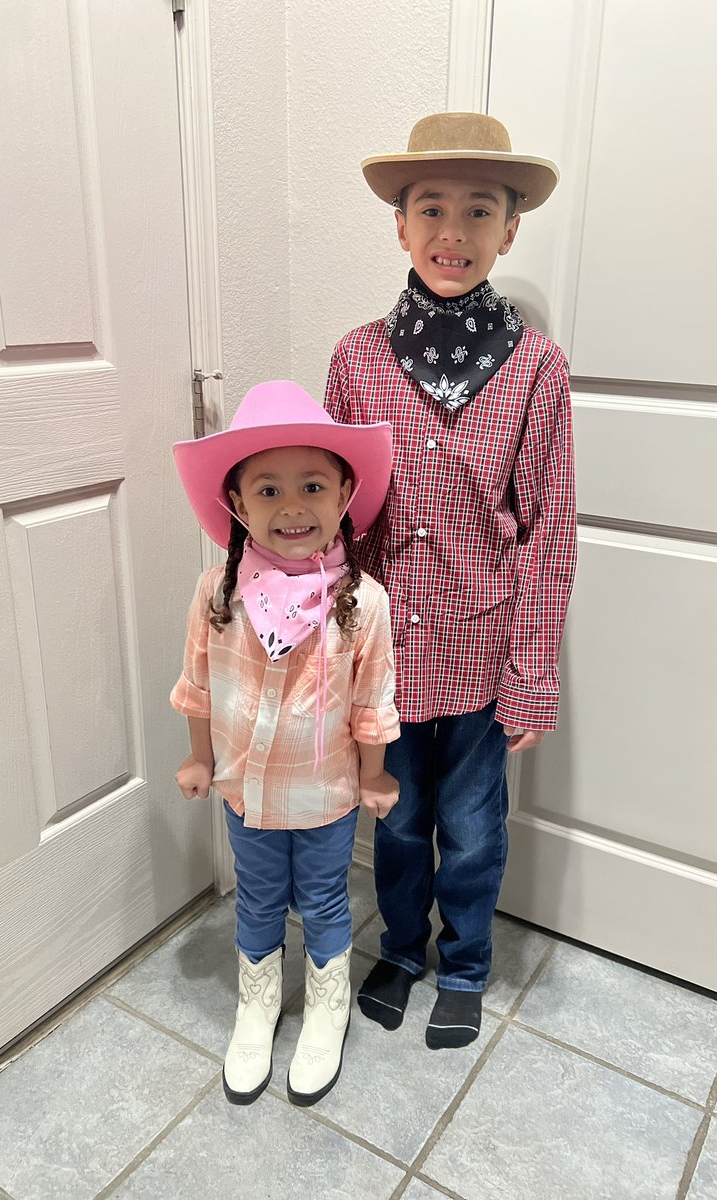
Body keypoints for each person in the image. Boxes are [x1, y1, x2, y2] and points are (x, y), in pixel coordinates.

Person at [325, 112, 577, 1049]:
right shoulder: (357, 359)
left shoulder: (537, 370)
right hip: (387, 660)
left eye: (480, 211)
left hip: (481, 655)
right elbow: (332, 519)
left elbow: (550, 532)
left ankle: (465, 962)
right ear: (399, 224)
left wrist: (533, 672)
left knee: (472, 829)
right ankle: (401, 949)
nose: (452, 232)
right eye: (431, 208)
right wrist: (325, 644)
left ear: (509, 230)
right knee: (394, 824)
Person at [170, 380, 400, 1106]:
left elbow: (371, 701)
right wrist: (199, 756)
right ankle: (259, 1000)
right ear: (237, 505)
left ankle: (327, 1006)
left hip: (327, 795)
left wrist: (374, 776)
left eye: (311, 485)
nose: (292, 507)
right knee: (259, 898)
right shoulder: (218, 593)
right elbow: (197, 686)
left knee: (327, 900)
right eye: (267, 490)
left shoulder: (362, 603)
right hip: (246, 791)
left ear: (344, 496)